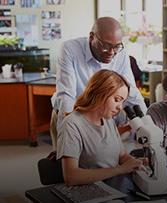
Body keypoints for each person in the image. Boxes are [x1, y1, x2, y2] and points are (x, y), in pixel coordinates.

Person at [50, 17, 147, 150]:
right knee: (67, 163)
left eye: (116, 46)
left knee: (101, 162)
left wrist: (148, 125)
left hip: (101, 117)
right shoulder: (70, 49)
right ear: (92, 37)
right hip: (70, 114)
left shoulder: (120, 54)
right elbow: (66, 96)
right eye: (106, 46)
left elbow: (132, 93)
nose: (111, 52)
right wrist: (66, 136)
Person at [56, 70, 143, 186]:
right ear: (99, 94)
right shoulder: (72, 124)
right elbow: (71, 177)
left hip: (113, 186)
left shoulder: (108, 120)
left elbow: (122, 156)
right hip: (90, 192)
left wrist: (135, 163)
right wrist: (119, 170)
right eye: (117, 100)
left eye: (123, 102)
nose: (120, 107)